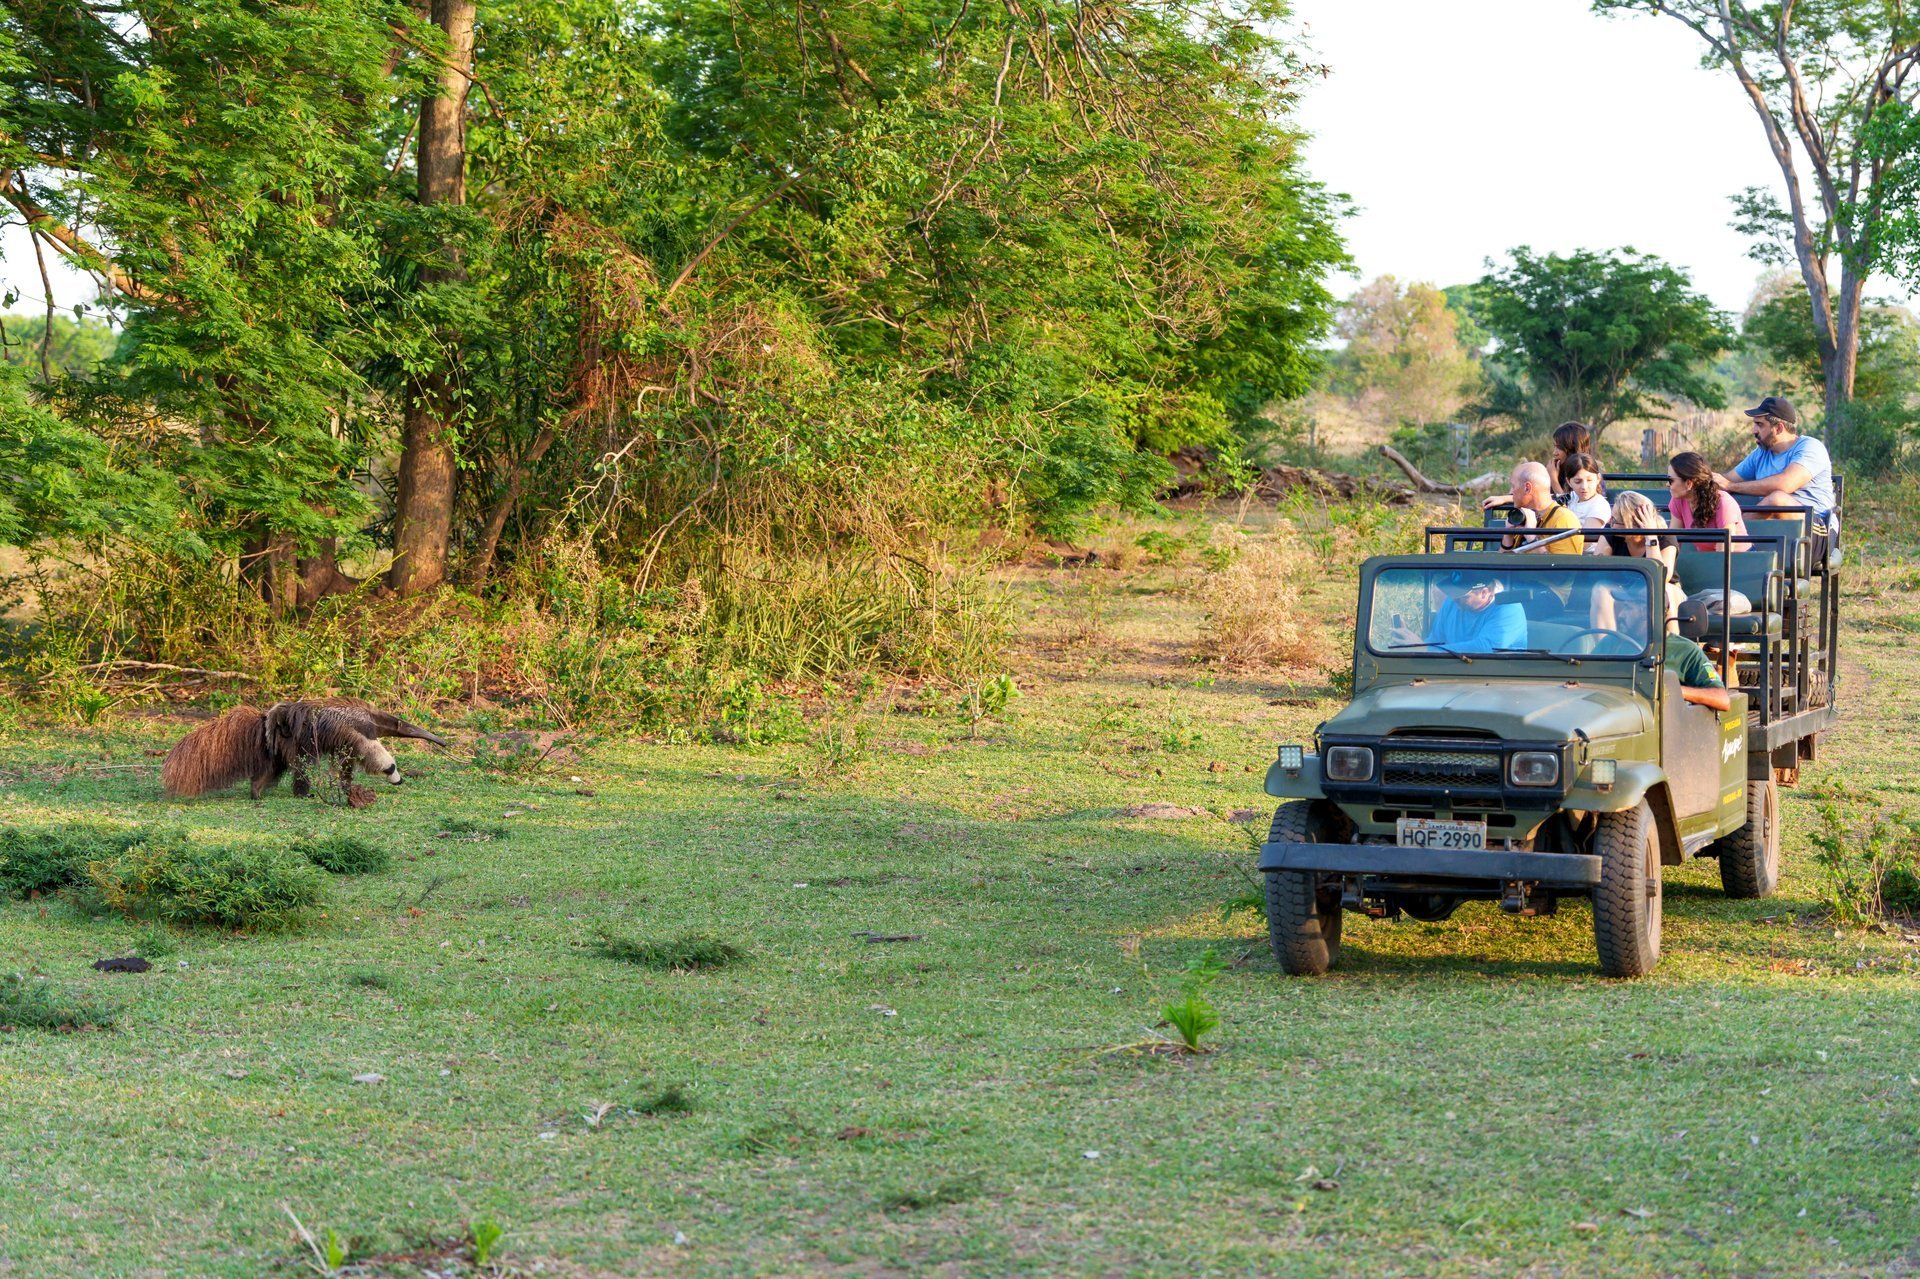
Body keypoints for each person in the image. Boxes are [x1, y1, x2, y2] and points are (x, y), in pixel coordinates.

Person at [1613, 591, 1731, 712]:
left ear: (1646, 611)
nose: (1621, 615)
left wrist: (1673, 690)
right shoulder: (1611, 643)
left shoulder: (1685, 651)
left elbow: (1722, 699)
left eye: (1627, 608)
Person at [1591, 491, 1683, 627]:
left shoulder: (1665, 537)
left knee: (1664, 590)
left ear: (1631, 524)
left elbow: (1660, 577)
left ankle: (1671, 645)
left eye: (1615, 520)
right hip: (1625, 589)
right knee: (1600, 589)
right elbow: (1598, 568)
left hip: (1660, 589)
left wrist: (1650, 536)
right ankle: (1607, 645)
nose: (1610, 522)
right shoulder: (1611, 532)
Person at [1387, 569, 1526, 653]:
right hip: (1454, 673)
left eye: (1463, 597)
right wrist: (1410, 646)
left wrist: (1424, 649)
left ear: (1485, 592)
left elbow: (1485, 648)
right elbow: (1436, 640)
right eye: (1452, 593)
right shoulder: (1453, 601)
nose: (1454, 600)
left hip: (1498, 679)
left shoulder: (1509, 607)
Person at [1483, 420, 1592, 508]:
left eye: (1559, 448)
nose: (1554, 452)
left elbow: (1569, 509)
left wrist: (1554, 480)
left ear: (1572, 448)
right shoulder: (1557, 469)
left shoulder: (1589, 476)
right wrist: (1505, 498)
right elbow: (1534, 496)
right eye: (1554, 446)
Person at [1501, 461, 1584, 554]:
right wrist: (1508, 536)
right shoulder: (1523, 515)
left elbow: (1563, 567)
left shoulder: (1563, 520)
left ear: (1527, 488)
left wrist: (1531, 538)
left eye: (1513, 486)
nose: (1510, 492)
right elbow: (1499, 565)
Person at [1668, 451, 1747, 539]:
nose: (1667, 484)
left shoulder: (1723, 502)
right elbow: (1673, 541)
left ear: (1688, 484)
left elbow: (1726, 549)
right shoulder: (1678, 500)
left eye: (1671, 481)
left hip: (1736, 553)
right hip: (1708, 553)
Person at [1559, 452, 1611, 529]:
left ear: (1598, 479)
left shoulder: (1600, 506)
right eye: (1578, 481)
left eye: (1589, 480)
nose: (1584, 486)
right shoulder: (1571, 497)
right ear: (1569, 482)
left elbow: (1587, 538)